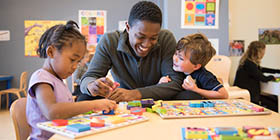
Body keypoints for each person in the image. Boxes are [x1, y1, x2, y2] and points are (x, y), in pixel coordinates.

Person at [26, 20, 117, 140]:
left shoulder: (58, 80)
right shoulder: (41, 78)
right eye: (72, 60)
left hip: (64, 135)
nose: (75, 66)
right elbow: (52, 112)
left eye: (78, 62)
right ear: (51, 52)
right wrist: (94, 104)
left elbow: (66, 111)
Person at [79, 1, 184, 102]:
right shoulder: (110, 41)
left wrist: (136, 94)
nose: (146, 44)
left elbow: (176, 82)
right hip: (122, 100)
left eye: (153, 38)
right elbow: (89, 77)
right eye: (140, 37)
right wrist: (92, 86)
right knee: (84, 98)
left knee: (188, 95)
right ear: (128, 27)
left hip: (157, 98)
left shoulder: (166, 38)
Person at [159, 33, 229, 99]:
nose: (175, 59)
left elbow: (224, 94)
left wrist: (196, 90)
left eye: (181, 58)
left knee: (189, 95)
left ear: (196, 66)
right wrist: (161, 82)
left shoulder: (204, 76)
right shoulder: (177, 69)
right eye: (175, 54)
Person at [234, 41, 280, 110]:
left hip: (248, 91)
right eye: (264, 51)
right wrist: (272, 77)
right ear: (259, 52)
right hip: (249, 94)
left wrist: (276, 71)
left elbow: (261, 69)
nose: (264, 54)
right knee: (273, 102)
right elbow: (263, 78)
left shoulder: (247, 62)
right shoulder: (249, 64)